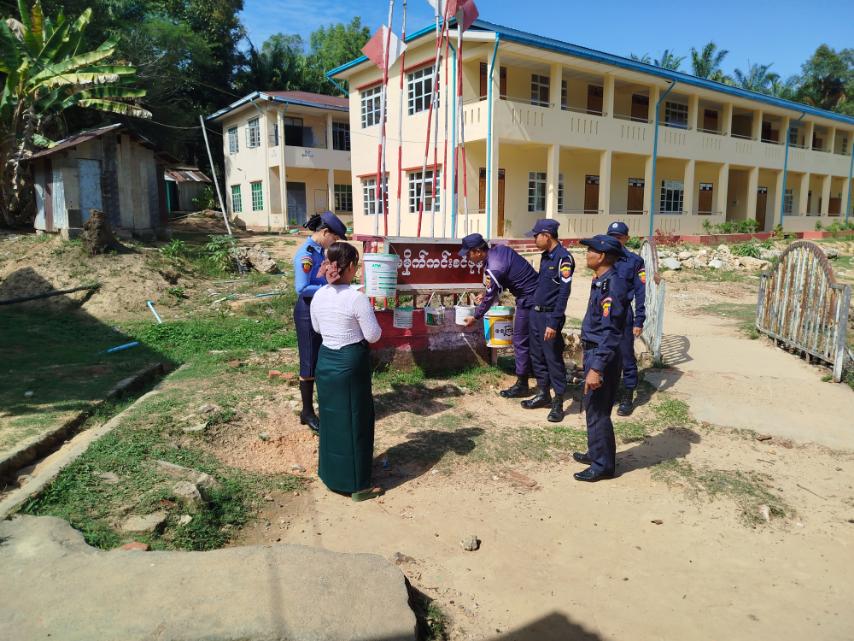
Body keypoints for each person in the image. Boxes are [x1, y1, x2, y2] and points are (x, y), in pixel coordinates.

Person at [309, 242, 383, 501]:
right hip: (350, 363)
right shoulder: (356, 298)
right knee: (355, 420)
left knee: (331, 420)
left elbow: (317, 328)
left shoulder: (319, 295)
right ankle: (358, 486)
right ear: (351, 266)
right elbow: (373, 335)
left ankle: (331, 475)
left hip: (326, 361)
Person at [573, 234, 629, 482]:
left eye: (590, 251)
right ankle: (597, 452)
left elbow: (611, 332)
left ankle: (603, 465)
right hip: (594, 351)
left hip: (602, 354)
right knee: (593, 407)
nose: (587, 255)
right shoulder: (601, 281)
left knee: (598, 409)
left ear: (602, 256)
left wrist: (597, 368)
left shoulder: (612, 286)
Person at [458, 233, 539, 397]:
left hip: (529, 299)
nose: (467, 257)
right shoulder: (499, 251)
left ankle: (522, 384)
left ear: (478, 251)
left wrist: (475, 316)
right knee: (532, 339)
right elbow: (505, 277)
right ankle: (533, 371)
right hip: (536, 294)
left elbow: (490, 295)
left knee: (520, 340)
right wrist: (487, 292)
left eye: (468, 253)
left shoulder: (493, 266)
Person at [292, 211, 347, 433]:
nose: (334, 243)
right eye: (334, 238)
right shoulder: (305, 254)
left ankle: (324, 406)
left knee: (321, 358)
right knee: (309, 360)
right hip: (307, 311)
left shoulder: (319, 251)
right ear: (325, 232)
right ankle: (307, 412)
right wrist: (329, 287)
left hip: (321, 308)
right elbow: (302, 288)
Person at [520, 219, 575, 422]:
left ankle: (558, 401)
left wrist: (554, 322)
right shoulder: (545, 257)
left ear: (547, 235)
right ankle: (543, 393)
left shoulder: (564, 259)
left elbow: (564, 293)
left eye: (536, 236)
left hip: (550, 316)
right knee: (537, 356)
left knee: (552, 358)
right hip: (536, 314)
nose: (534, 239)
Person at [606, 221, 647, 416]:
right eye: (612, 237)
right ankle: (610, 390)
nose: (615, 240)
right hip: (604, 314)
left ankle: (628, 395)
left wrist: (639, 320)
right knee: (605, 354)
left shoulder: (634, 261)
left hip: (623, 314)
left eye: (619, 237)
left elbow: (641, 292)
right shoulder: (603, 256)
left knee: (626, 355)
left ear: (626, 239)